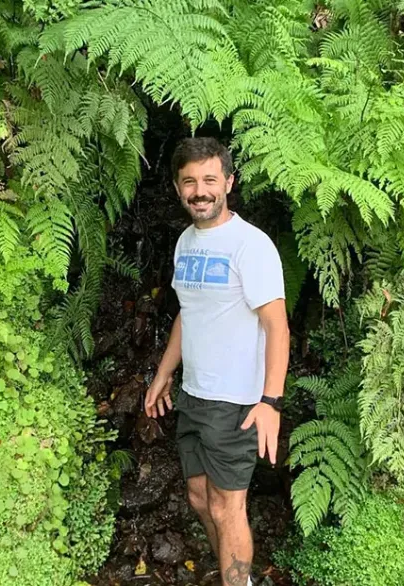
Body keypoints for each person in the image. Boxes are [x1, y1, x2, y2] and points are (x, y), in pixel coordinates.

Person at [144, 137, 290, 586]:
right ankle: (236, 578)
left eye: (209, 179)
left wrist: (270, 402)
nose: (200, 190)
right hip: (194, 395)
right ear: (177, 188)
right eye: (190, 181)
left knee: (228, 507)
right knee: (199, 498)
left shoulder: (251, 246)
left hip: (237, 404)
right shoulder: (186, 243)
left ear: (228, 181)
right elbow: (189, 315)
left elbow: (278, 327)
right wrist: (165, 374)